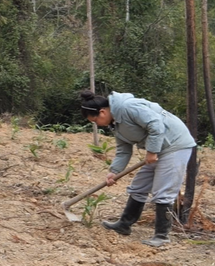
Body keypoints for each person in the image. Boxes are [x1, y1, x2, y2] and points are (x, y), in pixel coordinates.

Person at [79, 90, 196, 247]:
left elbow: (155, 124)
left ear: (102, 112)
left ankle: (162, 236)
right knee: (138, 186)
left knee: (163, 191)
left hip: (175, 145)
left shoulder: (129, 107)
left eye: (94, 121)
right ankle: (124, 225)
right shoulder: (116, 124)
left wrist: (152, 151)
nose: (96, 124)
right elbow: (123, 150)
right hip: (157, 149)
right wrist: (114, 172)